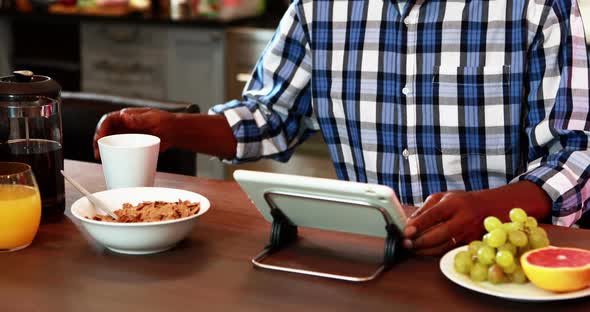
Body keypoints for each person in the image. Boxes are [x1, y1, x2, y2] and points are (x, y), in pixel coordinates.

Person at [94, 0, 590, 256]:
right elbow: (271, 116)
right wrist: (170, 128)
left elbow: (577, 151)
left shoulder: (538, 5)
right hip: (366, 255)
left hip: (495, 260)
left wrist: (489, 205)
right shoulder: (318, 7)